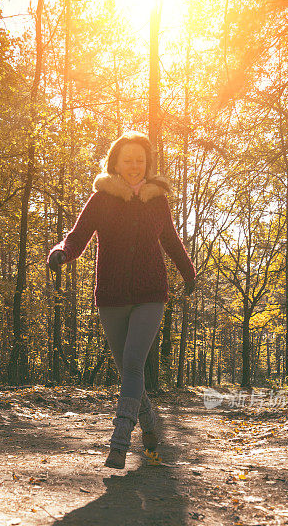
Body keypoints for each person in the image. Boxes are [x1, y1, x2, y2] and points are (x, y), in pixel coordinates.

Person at [48, 131, 196, 469]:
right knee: (127, 370)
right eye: (127, 160)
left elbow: (171, 241)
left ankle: (119, 442)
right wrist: (61, 253)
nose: (134, 166)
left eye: (140, 160)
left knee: (132, 364)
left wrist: (188, 273)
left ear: (148, 165)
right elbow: (77, 236)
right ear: (115, 162)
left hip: (150, 294)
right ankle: (151, 426)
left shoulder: (157, 199)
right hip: (111, 295)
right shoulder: (102, 198)